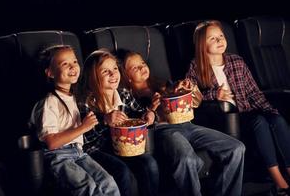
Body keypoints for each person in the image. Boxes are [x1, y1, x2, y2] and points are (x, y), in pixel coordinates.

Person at [118, 50, 246, 196]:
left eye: (142, 63)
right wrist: (151, 109)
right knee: (186, 159)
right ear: (127, 76)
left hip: (187, 125)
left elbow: (195, 102)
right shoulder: (129, 96)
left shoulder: (163, 83)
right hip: (164, 131)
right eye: (135, 68)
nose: (142, 68)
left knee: (236, 148)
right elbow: (133, 126)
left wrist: (186, 89)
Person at [186, 20, 290, 195]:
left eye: (221, 36)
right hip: (225, 119)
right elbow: (191, 100)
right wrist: (214, 95)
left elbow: (254, 92)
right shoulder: (195, 67)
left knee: (276, 119)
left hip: (247, 110)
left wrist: (269, 110)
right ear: (201, 45)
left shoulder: (237, 61)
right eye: (213, 38)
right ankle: (280, 183)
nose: (219, 40)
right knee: (259, 122)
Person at [29, 45, 120, 196]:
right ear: (50, 73)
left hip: (79, 152)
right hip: (59, 156)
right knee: (88, 188)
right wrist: (83, 127)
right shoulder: (48, 102)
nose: (72, 66)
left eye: (75, 62)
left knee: (108, 183)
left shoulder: (74, 97)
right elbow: (51, 142)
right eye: (65, 64)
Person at [78, 48, 159, 196]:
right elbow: (84, 138)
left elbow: (140, 113)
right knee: (122, 172)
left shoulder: (123, 94)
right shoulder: (87, 101)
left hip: (124, 146)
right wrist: (104, 120)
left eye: (115, 68)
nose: (113, 73)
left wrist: (150, 115)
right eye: (105, 71)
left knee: (150, 164)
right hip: (96, 150)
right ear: (93, 77)